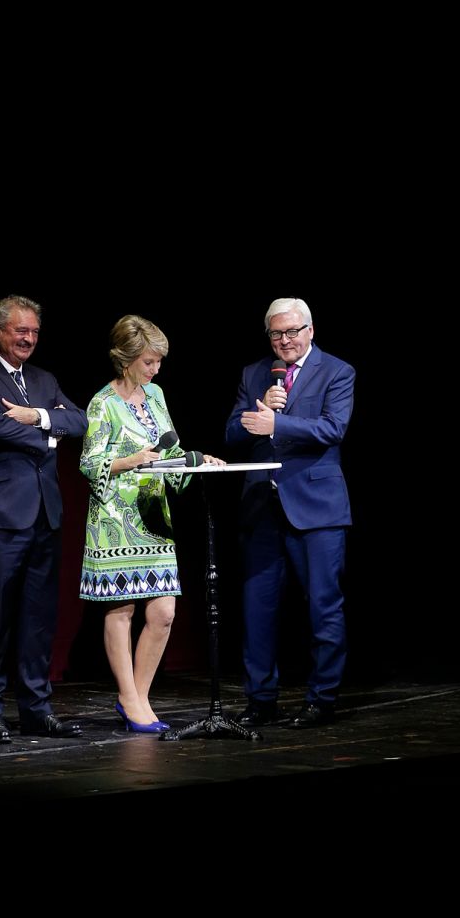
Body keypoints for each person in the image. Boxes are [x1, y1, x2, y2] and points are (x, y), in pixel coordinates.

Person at [79, 313, 224, 733]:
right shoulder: (102, 403)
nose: (155, 369)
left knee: (163, 612)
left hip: (153, 519)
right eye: (148, 362)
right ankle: (130, 698)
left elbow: (171, 449)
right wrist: (131, 460)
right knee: (122, 608)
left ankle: (138, 697)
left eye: (158, 361)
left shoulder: (156, 395)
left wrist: (197, 463)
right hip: (114, 520)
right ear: (125, 360)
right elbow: (89, 464)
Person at [0, 294, 89, 742]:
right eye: (19, 331)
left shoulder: (44, 379)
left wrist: (37, 416)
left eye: (33, 331)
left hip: (44, 515)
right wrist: (48, 436)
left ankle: (36, 708)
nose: (28, 339)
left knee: (38, 618)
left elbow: (81, 421)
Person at [224, 296, 354, 728]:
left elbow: (333, 428)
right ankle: (260, 699)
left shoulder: (337, 371)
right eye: (276, 333)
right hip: (263, 508)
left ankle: (322, 698)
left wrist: (277, 423)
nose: (284, 341)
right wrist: (255, 410)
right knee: (257, 608)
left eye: (292, 332)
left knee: (323, 606)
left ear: (310, 331)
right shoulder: (255, 373)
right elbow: (231, 433)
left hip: (317, 508)